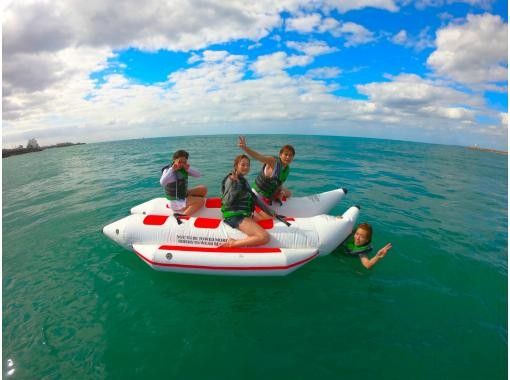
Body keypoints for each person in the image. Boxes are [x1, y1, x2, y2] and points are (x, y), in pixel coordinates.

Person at [220, 154, 280, 248]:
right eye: (243, 165)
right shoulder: (231, 180)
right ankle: (233, 243)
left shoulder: (243, 180)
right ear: (236, 166)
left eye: (248, 165)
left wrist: (271, 212)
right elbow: (227, 201)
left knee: (269, 218)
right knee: (264, 237)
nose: (246, 167)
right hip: (235, 216)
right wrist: (236, 185)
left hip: (243, 214)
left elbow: (254, 199)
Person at [238, 136, 295, 206]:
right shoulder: (273, 161)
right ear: (280, 155)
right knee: (272, 215)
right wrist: (245, 148)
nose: (288, 157)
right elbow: (258, 157)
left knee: (289, 193)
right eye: (286, 154)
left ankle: (276, 198)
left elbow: (279, 184)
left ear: (293, 157)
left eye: (290, 155)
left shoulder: (287, 169)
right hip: (258, 194)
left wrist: (281, 193)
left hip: (269, 195)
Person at [160, 149, 207, 216]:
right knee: (201, 201)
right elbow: (162, 183)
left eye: (184, 162)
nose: (182, 164)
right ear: (174, 160)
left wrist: (188, 168)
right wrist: (172, 170)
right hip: (175, 202)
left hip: (182, 194)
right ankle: (182, 216)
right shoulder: (168, 170)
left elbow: (198, 175)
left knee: (203, 189)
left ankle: (191, 204)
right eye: (180, 161)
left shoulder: (184, 169)